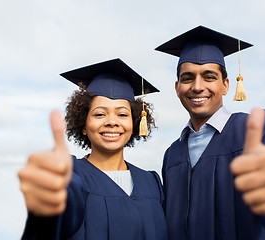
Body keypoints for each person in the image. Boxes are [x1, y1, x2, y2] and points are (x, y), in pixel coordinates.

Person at [155, 26, 265, 240]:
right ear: (177, 88)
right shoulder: (172, 154)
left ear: (225, 85)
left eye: (208, 77)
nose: (197, 87)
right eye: (188, 78)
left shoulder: (252, 129)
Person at [18, 58, 168, 240]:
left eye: (122, 114)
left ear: (135, 122)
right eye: (99, 114)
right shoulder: (70, 176)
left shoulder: (151, 183)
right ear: (83, 123)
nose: (112, 122)